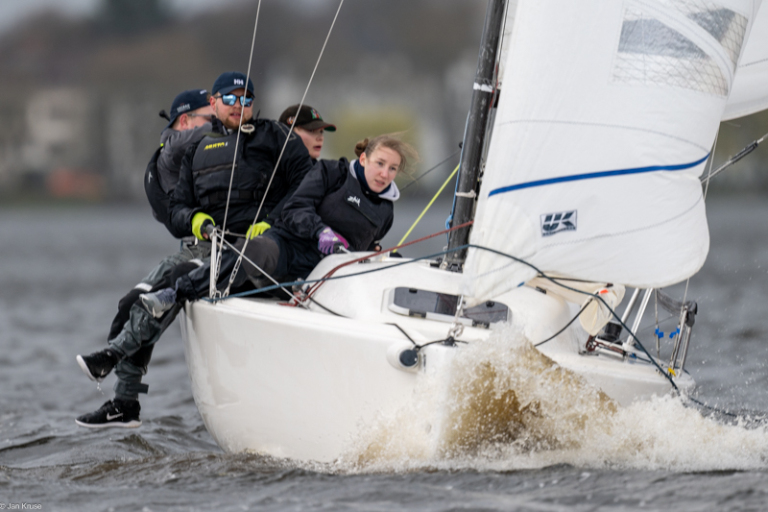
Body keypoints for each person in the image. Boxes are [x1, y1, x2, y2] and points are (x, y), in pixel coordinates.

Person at [75, 72, 317, 428]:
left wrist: (273, 222)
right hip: (207, 246)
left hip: (259, 247)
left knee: (176, 279)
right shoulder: (196, 149)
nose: (239, 106)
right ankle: (125, 401)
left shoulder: (277, 137)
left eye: (246, 99)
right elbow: (175, 210)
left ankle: (113, 361)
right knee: (133, 300)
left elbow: (307, 187)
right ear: (215, 102)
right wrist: (196, 220)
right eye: (230, 99)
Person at [140, 134, 417, 316]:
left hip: (320, 277)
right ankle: (175, 293)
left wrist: (378, 254)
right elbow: (295, 208)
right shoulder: (331, 172)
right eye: (380, 163)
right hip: (285, 246)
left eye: (392, 169)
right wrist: (319, 230)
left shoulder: (385, 212)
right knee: (253, 251)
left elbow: (365, 248)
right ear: (364, 159)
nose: (385, 174)